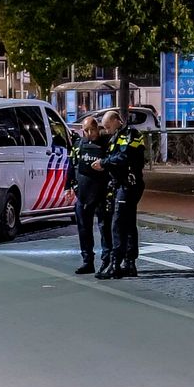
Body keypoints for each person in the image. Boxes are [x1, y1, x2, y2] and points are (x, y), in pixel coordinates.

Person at [92, 109, 145, 279]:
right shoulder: (115, 137)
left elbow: (124, 157)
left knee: (118, 223)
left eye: (108, 126)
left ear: (117, 121)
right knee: (128, 223)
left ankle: (116, 264)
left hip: (129, 184)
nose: (106, 130)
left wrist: (104, 163)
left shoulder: (131, 134)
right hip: (120, 185)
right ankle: (129, 263)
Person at [70, 116, 113, 275]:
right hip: (83, 192)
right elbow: (72, 164)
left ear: (97, 128)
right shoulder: (79, 144)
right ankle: (87, 261)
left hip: (101, 191)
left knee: (104, 227)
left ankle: (106, 260)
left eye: (92, 130)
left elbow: (113, 164)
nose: (89, 133)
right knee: (83, 228)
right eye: (86, 130)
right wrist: (70, 186)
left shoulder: (106, 143)